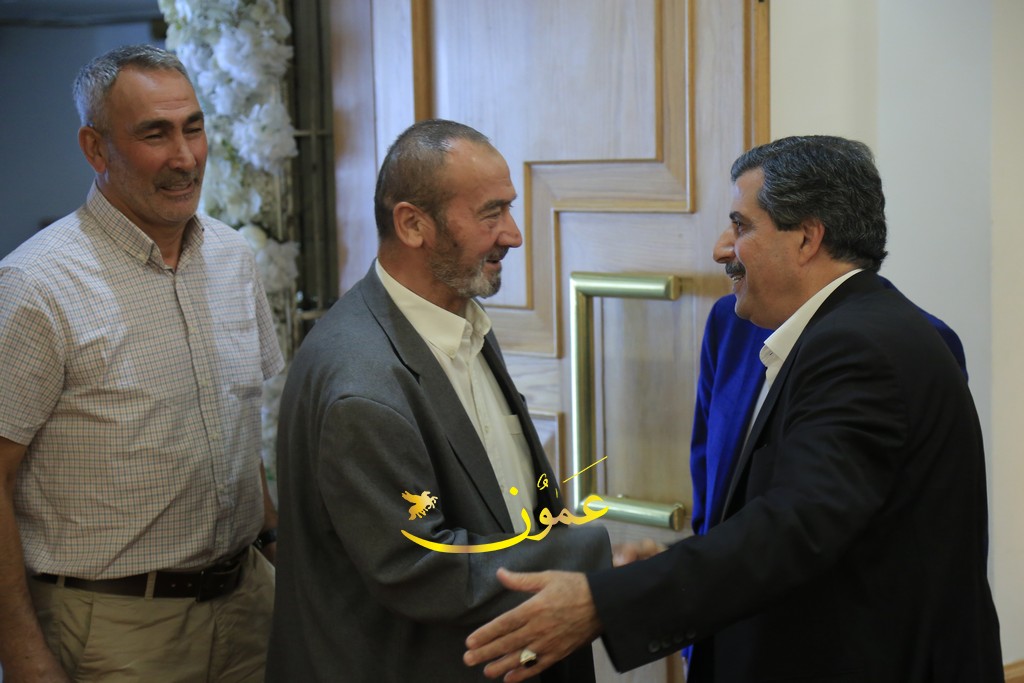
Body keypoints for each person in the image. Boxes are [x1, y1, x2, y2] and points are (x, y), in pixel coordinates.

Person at [463, 135, 1003, 682]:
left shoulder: (861, 348)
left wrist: (604, 603)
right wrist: (675, 569)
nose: (722, 248)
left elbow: (798, 527)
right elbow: (801, 519)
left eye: (741, 226)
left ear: (807, 238)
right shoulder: (824, 331)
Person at [266, 119, 611, 683]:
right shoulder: (362, 385)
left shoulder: (459, 319)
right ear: (412, 224)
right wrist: (595, 562)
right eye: (491, 214)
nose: (514, 234)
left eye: (509, 209)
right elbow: (421, 568)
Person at [0, 45, 283, 682]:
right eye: (155, 134)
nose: (185, 157)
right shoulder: (35, 285)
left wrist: (271, 539)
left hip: (247, 606)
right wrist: (21, 656)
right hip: (113, 629)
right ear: (95, 149)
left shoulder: (234, 258)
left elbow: (240, 424)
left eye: (193, 128)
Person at [690, 288, 968, 538]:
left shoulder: (905, 341)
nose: (720, 253)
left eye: (740, 235)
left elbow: (822, 517)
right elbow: (709, 480)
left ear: (806, 246)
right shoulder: (731, 319)